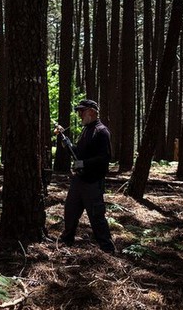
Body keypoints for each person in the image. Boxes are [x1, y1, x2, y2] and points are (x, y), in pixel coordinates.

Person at [54, 99, 115, 253]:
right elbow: (78, 154)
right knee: (70, 212)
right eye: (79, 111)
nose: (79, 115)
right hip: (79, 181)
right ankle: (66, 242)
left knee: (97, 218)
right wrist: (63, 139)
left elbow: (105, 157)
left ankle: (108, 250)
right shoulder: (86, 130)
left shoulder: (102, 131)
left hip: (93, 183)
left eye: (82, 111)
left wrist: (84, 164)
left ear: (92, 112)